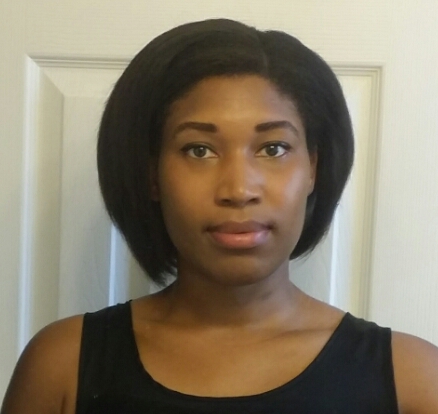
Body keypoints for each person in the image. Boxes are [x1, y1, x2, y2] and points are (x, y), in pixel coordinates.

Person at [2, 18, 438, 414]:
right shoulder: (61, 367)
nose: (239, 189)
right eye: (199, 150)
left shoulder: (413, 380)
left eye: (273, 148)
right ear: (152, 175)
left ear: (313, 168)